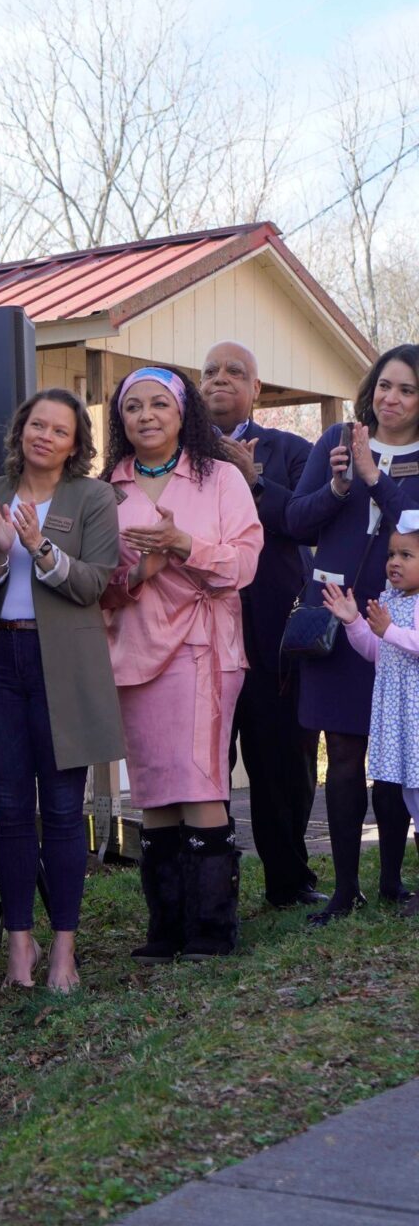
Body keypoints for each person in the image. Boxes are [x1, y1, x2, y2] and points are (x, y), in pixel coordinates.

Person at [101, 366, 262, 961]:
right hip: (135, 649)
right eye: (132, 408)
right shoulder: (108, 488)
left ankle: (213, 930)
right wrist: (136, 573)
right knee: (154, 790)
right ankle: (165, 929)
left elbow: (244, 564)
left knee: (198, 780)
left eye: (158, 405)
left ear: (181, 412)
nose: (146, 416)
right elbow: (98, 586)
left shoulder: (219, 477)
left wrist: (182, 546)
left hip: (203, 646)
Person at [0, 388, 124, 992]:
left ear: (74, 444)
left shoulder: (93, 497)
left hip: (62, 664)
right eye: (37, 424)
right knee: (9, 812)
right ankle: (20, 947)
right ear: (21, 430)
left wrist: (37, 548)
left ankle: (63, 949)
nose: (45, 436)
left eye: (60, 431)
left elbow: (93, 584)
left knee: (63, 813)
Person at [285, 343, 419, 926]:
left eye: (408, 390)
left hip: (401, 625)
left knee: (398, 752)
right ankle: (344, 889)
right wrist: (341, 487)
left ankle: (390, 879)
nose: (392, 398)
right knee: (341, 750)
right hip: (337, 616)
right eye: (385, 385)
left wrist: (373, 477)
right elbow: (295, 521)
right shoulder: (337, 440)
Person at [198, 341, 325, 909]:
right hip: (201, 638)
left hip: (274, 637)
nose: (220, 380)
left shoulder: (295, 452)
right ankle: (211, 886)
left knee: (283, 765)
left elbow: (304, 523)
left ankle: (288, 881)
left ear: (257, 389)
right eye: (209, 372)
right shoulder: (177, 454)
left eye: (235, 372)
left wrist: (251, 480)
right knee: (207, 767)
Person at [322, 511, 419, 919]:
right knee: (410, 797)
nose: (394, 562)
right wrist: (354, 623)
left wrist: (388, 631)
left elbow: (408, 644)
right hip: (396, 718)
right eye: (391, 553)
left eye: (407, 555)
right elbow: (379, 653)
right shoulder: (391, 601)